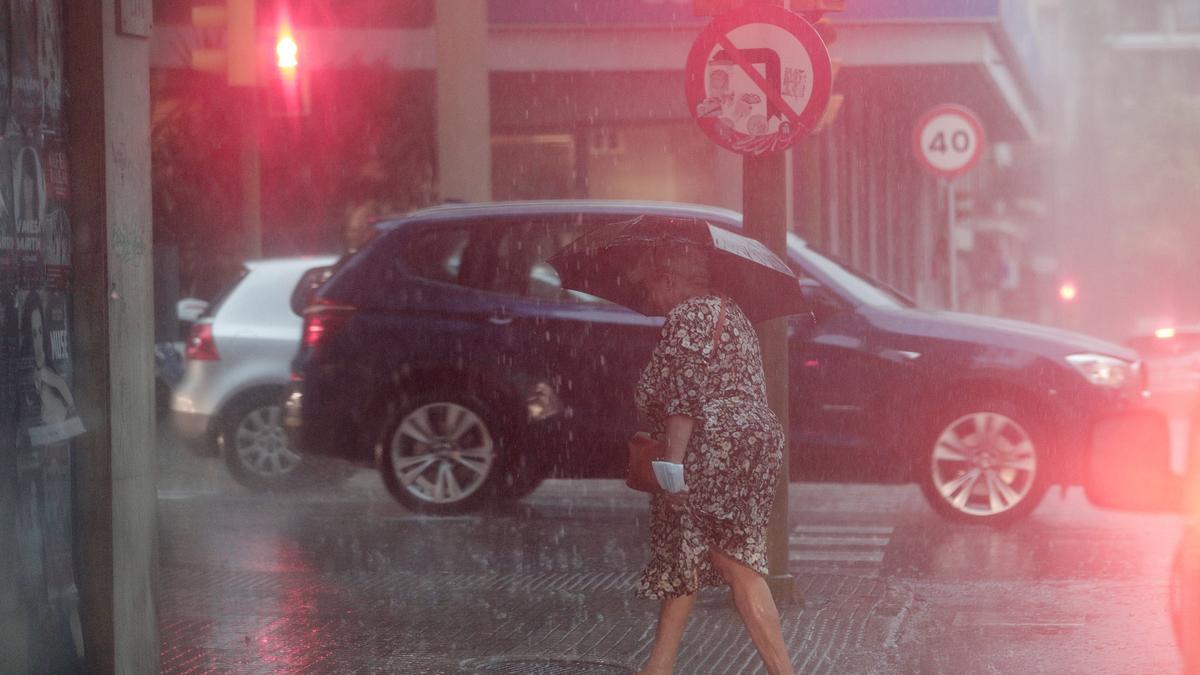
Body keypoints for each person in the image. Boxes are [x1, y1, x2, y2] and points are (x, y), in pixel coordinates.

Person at [632, 243, 792, 675]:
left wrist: (672, 467)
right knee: (696, 550)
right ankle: (658, 666)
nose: (646, 296)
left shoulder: (687, 315)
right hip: (753, 442)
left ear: (668, 279)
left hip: (712, 445)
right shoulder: (732, 313)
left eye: (648, 285)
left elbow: (684, 399)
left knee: (733, 561)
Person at [19, 292, 76, 434]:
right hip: (47, 427)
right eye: (33, 334)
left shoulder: (46, 368)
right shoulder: (28, 367)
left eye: (40, 331)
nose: (38, 341)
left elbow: (61, 384)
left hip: (60, 423)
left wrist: (71, 408)